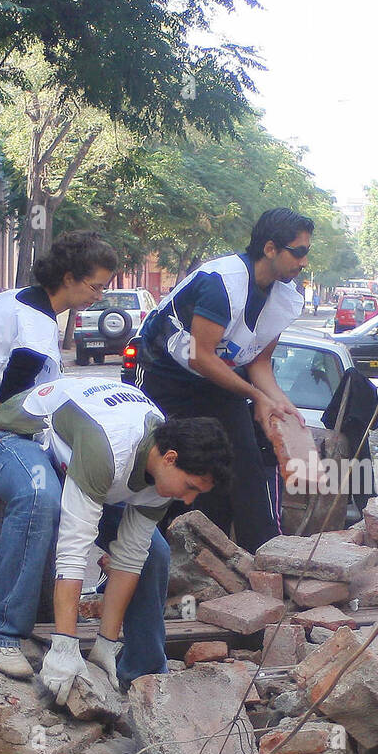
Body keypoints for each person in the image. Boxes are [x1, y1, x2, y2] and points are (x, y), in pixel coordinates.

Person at [0, 376, 232, 691]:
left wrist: (105, 642)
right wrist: (65, 645)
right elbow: (71, 553)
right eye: (190, 487)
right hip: (13, 438)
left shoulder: (163, 471)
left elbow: (130, 558)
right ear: (170, 458)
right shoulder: (110, 449)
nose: (188, 500)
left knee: (154, 552)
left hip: (77, 461)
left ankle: (140, 670)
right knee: (41, 498)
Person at [0, 231, 118, 653]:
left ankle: (21, 625)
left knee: (17, 526)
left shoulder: (14, 298)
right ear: (70, 277)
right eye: (95, 286)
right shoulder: (36, 332)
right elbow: (10, 402)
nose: (98, 296)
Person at [135, 208, 311, 553]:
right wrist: (256, 397)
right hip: (167, 379)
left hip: (220, 378)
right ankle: (146, 560)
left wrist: (278, 401)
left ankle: (262, 561)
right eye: (299, 251)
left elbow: (259, 362)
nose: (304, 261)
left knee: (243, 465)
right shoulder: (222, 283)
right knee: (167, 466)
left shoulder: (284, 296)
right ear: (271, 248)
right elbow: (201, 356)